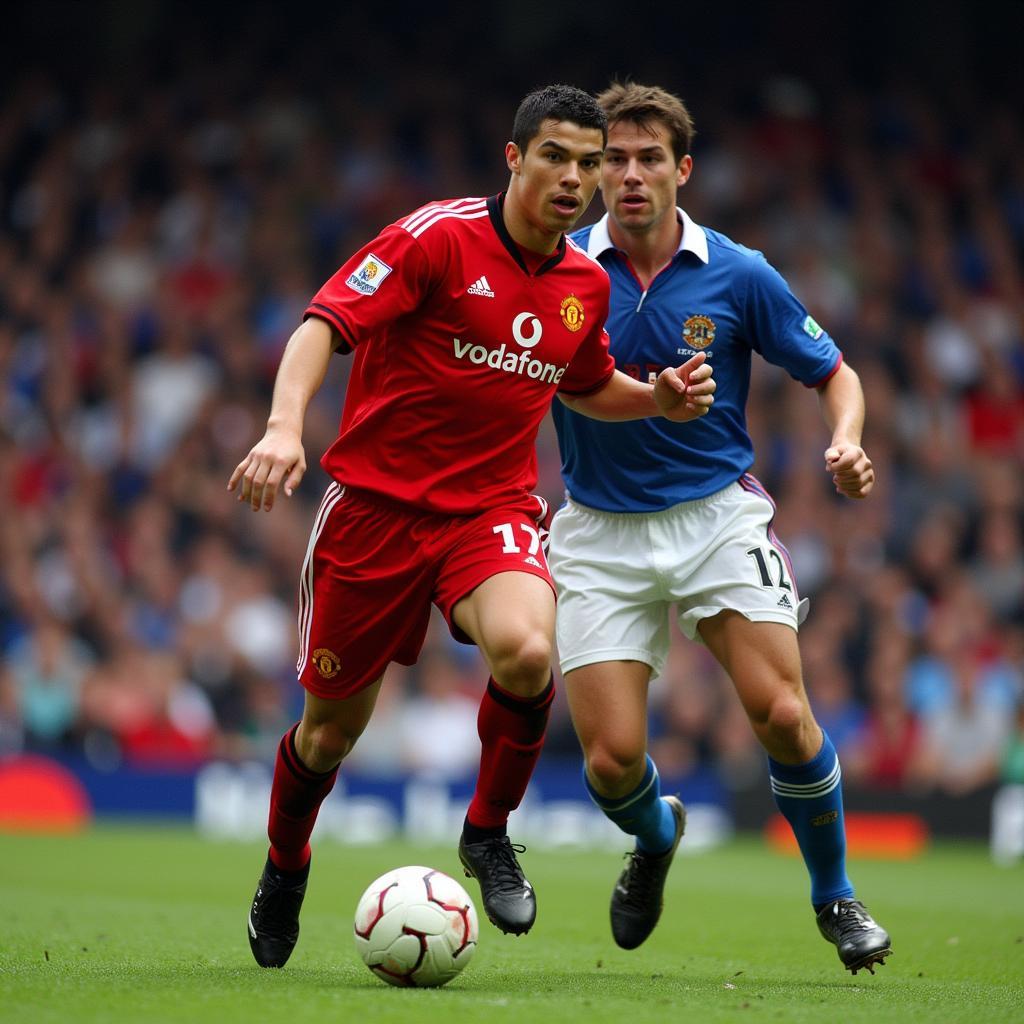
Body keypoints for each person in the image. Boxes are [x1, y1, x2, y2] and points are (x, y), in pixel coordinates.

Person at [227, 83, 716, 969]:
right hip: (375, 511)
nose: (576, 179)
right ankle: (285, 864)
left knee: (531, 652)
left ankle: (487, 832)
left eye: (591, 163)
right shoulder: (435, 239)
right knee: (329, 734)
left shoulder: (582, 283)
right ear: (515, 159)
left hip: (488, 512)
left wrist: (656, 399)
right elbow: (320, 325)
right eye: (557, 158)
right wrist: (279, 428)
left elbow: (585, 382)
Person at [547, 82, 892, 975]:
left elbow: (835, 372)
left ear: (681, 170)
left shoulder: (740, 271)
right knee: (613, 765)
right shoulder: (557, 266)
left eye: (646, 158)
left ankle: (836, 897)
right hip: (599, 529)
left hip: (714, 519)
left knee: (783, 713)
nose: (627, 175)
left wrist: (846, 442)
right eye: (610, 159)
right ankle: (657, 838)